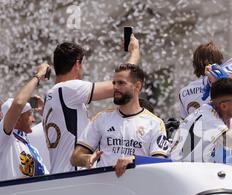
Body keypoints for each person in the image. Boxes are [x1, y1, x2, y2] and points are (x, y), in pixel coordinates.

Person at [43, 35, 140, 174]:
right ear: (77, 64)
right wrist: (135, 51)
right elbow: (120, 86)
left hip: (59, 173)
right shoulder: (69, 88)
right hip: (72, 175)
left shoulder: (50, 94)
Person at [70, 64, 169, 178]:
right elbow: (75, 157)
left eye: (121, 83)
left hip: (138, 191)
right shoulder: (101, 118)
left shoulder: (155, 123)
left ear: (137, 86)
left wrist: (134, 159)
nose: (115, 87)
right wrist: (87, 159)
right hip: (105, 190)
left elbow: (160, 162)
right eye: (114, 83)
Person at [0, 63, 50, 181]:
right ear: (17, 119)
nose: (33, 119)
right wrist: (38, 76)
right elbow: (18, 104)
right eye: (29, 115)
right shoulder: (5, 138)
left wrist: (45, 111)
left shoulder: (30, 146)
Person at [178, 41, 223, 119]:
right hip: (220, 129)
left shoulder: (182, 92)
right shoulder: (225, 85)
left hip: (195, 130)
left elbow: (184, 122)